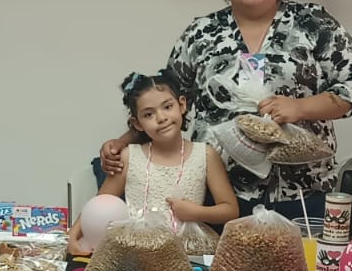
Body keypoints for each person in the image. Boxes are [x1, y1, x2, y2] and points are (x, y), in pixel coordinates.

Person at [101, 0, 352, 219]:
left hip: (300, 191)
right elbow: (166, 100)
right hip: (214, 193)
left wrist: (300, 107)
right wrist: (124, 142)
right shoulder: (201, 33)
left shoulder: (313, 23)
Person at [71, 70, 238, 255]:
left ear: (182, 105)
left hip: (188, 251)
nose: (161, 118)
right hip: (137, 250)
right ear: (137, 124)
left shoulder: (206, 155)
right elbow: (99, 202)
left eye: (167, 107)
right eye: (149, 114)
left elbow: (230, 210)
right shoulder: (129, 157)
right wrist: (72, 235)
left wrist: (196, 212)